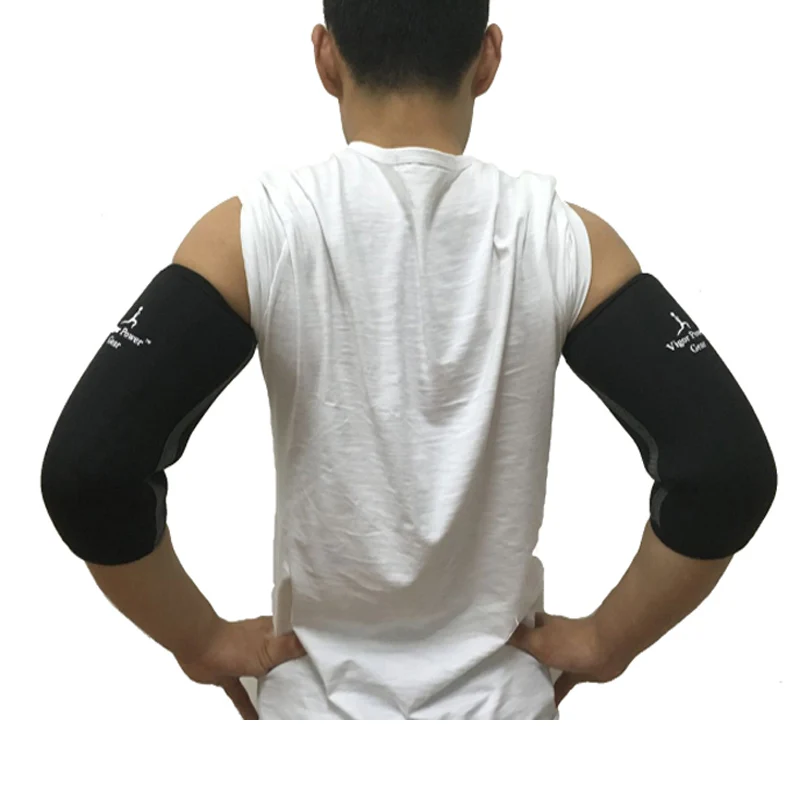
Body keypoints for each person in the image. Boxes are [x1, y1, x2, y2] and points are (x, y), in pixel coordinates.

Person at [40, 0, 777, 720]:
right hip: (502, 715)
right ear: (489, 58)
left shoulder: (256, 233)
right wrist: (608, 641)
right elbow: (726, 472)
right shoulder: (562, 239)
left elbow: (91, 472)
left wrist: (198, 640)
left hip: (313, 718)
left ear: (325, 57)